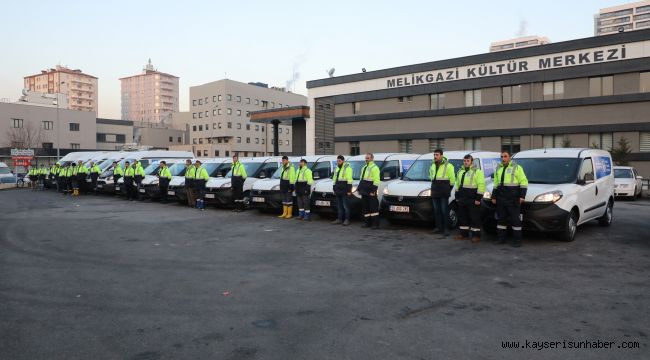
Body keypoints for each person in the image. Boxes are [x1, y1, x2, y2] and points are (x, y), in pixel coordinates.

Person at [491, 150, 528, 247]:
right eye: (502, 157)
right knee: (501, 220)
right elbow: (496, 184)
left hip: (513, 199)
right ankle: (501, 239)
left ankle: (517, 241)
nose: (503, 158)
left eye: (505, 156)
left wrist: (522, 196)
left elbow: (523, 182)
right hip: (501, 198)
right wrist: (493, 196)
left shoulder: (517, 167)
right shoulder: (498, 168)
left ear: (510, 157)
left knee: (515, 220)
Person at [454, 154, 486, 243]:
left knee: (475, 218)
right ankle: (464, 234)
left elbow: (481, 185)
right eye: (464, 161)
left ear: (472, 162)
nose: (466, 162)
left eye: (467, 161)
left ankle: (476, 236)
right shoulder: (460, 171)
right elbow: (457, 184)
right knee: (463, 217)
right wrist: (457, 195)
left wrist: (478, 198)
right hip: (462, 198)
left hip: (473, 198)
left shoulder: (477, 171)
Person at [429, 149, 456, 236]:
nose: (435, 156)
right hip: (435, 190)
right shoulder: (432, 164)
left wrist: (448, 189)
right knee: (437, 211)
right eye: (434, 155)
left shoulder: (449, 165)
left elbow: (452, 179)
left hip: (444, 191)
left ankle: (446, 229)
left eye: (437, 155)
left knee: (444, 211)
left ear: (441, 155)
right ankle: (438, 228)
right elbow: (431, 175)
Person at [358, 153, 381, 229]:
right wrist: (359, 188)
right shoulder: (364, 167)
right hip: (364, 191)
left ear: (372, 158)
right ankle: (367, 223)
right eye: (366, 158)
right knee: (365, 208)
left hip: (371, 191)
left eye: (368, 158)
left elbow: (376, 180)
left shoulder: (375, 168)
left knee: (373, 208)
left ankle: (375, 224)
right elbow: (361, 179)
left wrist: (373, 190)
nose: (366, 159)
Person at [332, 155, 353, 226]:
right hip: (338, 189)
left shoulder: (348, 168)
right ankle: (339, 219)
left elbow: (349, 180)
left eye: (339, 161)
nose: (338, 162)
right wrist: (334, 189)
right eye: (337, 161)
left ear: (343, 161)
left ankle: (347, 220)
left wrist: (349, 190)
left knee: (346, 206)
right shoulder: (336, 168)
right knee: (339, 206)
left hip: (345, 189)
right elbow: (334, 179)